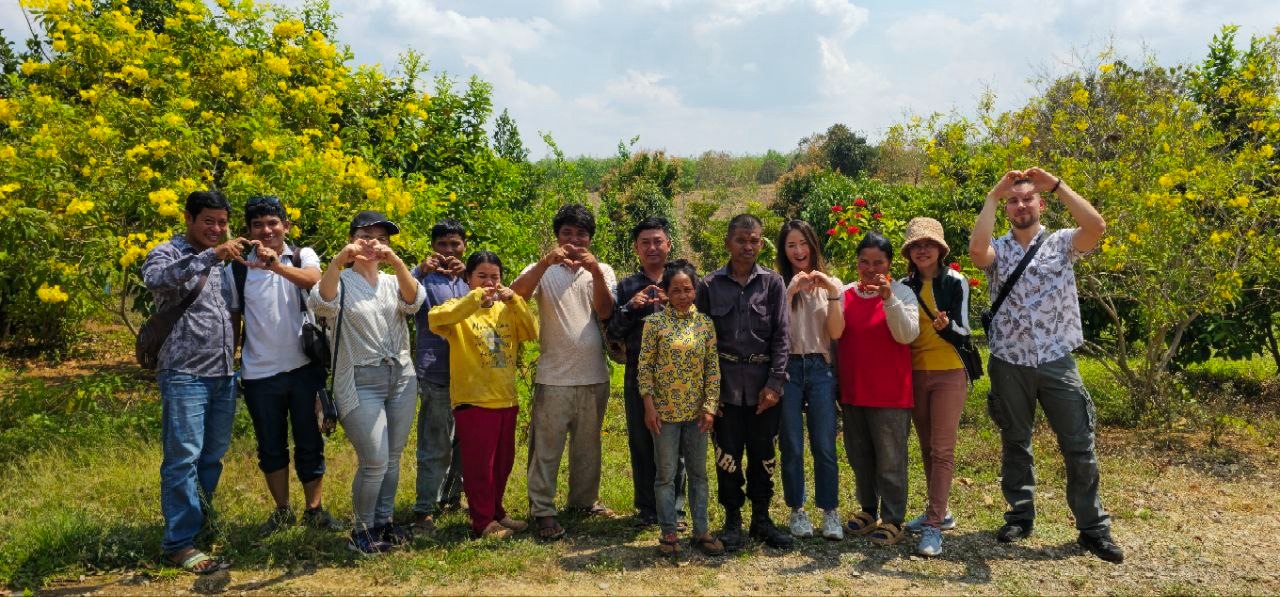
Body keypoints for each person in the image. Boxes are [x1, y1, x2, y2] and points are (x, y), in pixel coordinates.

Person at [969, 167, 1124, 563]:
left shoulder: (1061, 243)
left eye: (1027, 199)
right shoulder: (998, 249)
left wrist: (1055, 183)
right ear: (1007, 209)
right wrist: (991, 196)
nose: (1021, 206)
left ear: (1040, 203)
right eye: (1013, 201)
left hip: (1057, 358)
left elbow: (1096, 226)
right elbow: (975, 252)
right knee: (1015, 441)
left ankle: (1093, 527)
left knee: (1079, 444)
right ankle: (1020, 515)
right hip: (1010, 359)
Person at [309, 211, 426, 555]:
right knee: (374, 458)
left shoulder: (392, 280)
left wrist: (398, 263)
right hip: (359, 378)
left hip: (401, 376)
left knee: (392, 456)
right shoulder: (341, 281)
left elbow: (414, 302)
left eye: (382, 238)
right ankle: (362, 529)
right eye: (365, 236)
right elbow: (321, 302)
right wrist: (337, 261)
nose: (373, 243)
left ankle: (384, 523)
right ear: (351, 240)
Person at [227, 195, 343, 536]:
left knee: (310, 441)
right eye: (258, 225)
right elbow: (235, 316)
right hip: (259, 372)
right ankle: (281, 511)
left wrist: (276, 264)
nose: (266, 230)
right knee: (270, 445)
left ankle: (314, 509)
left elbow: (316, 283)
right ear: (248, 232)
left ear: (286, 226)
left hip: (304, 367)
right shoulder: (236, 267)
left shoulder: (301, 255)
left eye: (273, 223)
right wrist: (231, 361)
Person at [142, 190, 243, 575]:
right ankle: (178, 543)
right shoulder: (168, 251)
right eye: (208, 221)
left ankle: (200, 525)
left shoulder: (226, 262)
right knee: (182, 458)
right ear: (189, 218)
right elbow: (155, 278)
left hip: (222, 374)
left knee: (211, 457)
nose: (216, 229)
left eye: (222, 222)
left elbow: (233, 313)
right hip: (183, 372)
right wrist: (210, 256)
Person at [511, 204, 618, 540]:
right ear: (557, 236)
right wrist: (545, 262)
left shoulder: (602, 270)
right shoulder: (541, 269)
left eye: (581, 234)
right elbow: (516, 296)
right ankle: (542, 510)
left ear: (590, 238)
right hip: (553, 376)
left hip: (594, 376)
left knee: (588, 447)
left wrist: (595, 272)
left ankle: (584, 502)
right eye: (567, 233)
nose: (574, 240)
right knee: (546, 446)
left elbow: (605, 311)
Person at [696, 214, 794, 551]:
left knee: (764, 455)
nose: (748, 246)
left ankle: (762, 520)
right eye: (741, 240)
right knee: (728, 456)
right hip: (723, 389)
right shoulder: (708, 286)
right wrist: (709, 392)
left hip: (763, 389)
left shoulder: (773, 283)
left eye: (754, 240)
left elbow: (782, 336)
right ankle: (733, 522)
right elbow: (700, 340)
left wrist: (776, 384)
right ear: (727, 243)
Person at [428, 251, 538, 539]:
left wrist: (514, 300)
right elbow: (435, 319)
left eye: (495, 277)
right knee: (480, 467)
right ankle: (482, 521)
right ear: (468, 278)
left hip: (506, 399)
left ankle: (497, 511)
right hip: (473, 401)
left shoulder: (506, 309)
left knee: (502, 463)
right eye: (482, 276)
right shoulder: (458, 308)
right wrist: (474, 299)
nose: (489, 282)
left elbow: (531, 331)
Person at [899, 216, 976, 557]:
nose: (922, 250)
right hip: (916, 373)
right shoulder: (904, 286)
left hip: (949, 372)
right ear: (909, 252)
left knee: (943, 449)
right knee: (928, 447)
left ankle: (932, 527)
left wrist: (946, 328)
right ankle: (939, 512)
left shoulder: (956, 281)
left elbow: (965, 332)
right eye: (916, 245)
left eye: (928, 244)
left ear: (940, 249)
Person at [837, 231, 920, 547]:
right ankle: (869, 510)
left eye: (878, 263)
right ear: (856, 263)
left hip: (890, 395)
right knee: (860, 457)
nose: (871, 269)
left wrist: (889, 299)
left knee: (890, 459)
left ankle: (895, 517)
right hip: (854, 392)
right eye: (864, 262)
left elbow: (906, 335)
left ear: (890, 265)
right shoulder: (844, 294)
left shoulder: (903, 294)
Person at [638, 260, 724, 556]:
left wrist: (710, 407)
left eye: (688, 289)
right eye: (676, 290)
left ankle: (701, 531)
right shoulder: (654, 324)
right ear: (665, 292)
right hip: (664, 414)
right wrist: (649, 407)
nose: (683, 295)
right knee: (666, 475)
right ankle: (669, 533)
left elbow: (713, 369)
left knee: (699, 474)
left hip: (696, 415)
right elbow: (645, 368)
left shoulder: (705, 324)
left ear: (695, 291)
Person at [606, 217, 685, 528]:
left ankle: (675, 511)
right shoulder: (626, 286)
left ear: (668, 244)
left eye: (658, 241)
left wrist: (674, 305)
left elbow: (702, 320)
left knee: (674, 444)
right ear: (637, 249)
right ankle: (647, 509)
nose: (652, 247)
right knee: (640, 441)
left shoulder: (683, 278)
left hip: (679, 374)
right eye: (645, 243)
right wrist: (630, 307)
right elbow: (613, 332)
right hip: (638, 373)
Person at [773, 220, 844, 541]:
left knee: (825, 444)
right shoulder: (777, 284)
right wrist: (789, 293)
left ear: (813, 245)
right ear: (784, 251)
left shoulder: (833, 284)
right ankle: (797, 510)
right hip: (788, 368)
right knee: (791, 443)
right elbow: (777, 333)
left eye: (803, 243)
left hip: (820, 368)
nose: (798, 250)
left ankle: (830, 511)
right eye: (791, 245)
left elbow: (836, 333)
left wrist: (831, 294)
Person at [410, 219, 469, 534]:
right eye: (443, 244)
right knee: (435, 443)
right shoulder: (420, 279)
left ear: (464, 246)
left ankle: (451, 498)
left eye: (455, 244)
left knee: (464, 441)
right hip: (436, 371)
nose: (449, 251)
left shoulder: (469, 278)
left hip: (471, 373)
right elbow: (403, 301)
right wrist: (420, 270)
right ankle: (424, 510)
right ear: (433, 247)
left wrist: (471, 274)